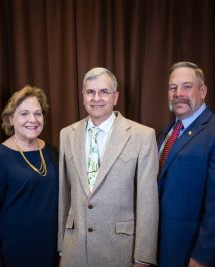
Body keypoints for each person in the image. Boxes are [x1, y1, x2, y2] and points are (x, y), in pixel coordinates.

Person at [58, 67, 159, 267]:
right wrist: (62, 248)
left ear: (115, 97)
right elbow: (64, 195)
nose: (96, 98)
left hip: (120, 250)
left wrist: (143, 257)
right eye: (90, 92)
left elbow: (148, 201)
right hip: (74, 250)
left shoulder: (142, 136)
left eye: (104, 92)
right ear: (83, 96)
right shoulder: (67, 134)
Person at [157, 61, 215, 267]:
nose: (178, 93)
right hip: (164, 251)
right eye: (173, 87)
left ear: (203, 90)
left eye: (186, 86)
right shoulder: (166, 132)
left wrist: (201, 258)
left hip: (194, 256)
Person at [0, 85, 59, 267]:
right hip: (13, 249)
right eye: (24, 114)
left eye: (38, 114)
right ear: (11, 119)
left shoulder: (52, 152)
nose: (32, 120)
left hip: (49, 245)